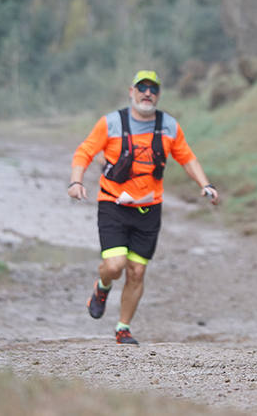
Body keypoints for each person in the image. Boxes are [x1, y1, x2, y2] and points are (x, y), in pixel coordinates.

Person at [67, 70, 219, 345]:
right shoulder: (111, 123)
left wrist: (206, 184)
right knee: (115, 266)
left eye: (153, 89)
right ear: (131, 91)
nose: (147, 93)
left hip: (149, 210)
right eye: (142, 88)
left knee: (137, 271)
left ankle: (123, 328)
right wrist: (76, 181)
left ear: (158, 94)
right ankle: (102, 287)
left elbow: (187, 158)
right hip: (113, 204)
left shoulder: (169, 126)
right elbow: (84, 151)